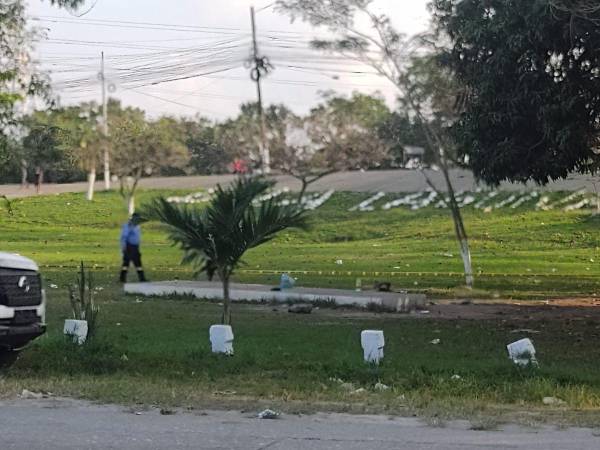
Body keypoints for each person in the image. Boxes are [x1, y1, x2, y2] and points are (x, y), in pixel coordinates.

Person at [119, 213, 147, 282]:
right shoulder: (128, 226)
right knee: (126, 263)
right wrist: (123, 247)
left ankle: (142, 278)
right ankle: (122, 278)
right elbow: (124, 237)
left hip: (135, 247)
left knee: (138, 263)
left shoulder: (137, 226)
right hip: (129, 247)